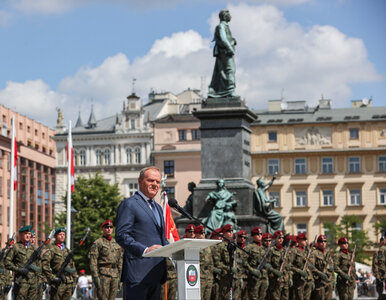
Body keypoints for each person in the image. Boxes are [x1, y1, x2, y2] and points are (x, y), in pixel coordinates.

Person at [116, 166, 169, 300]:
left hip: (156, 273)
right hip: (137, 274)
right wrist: (144, 250)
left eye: (157, 182)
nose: (155, 185)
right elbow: (121, 235)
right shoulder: (130, 204)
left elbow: (161, 238)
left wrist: (175, 249)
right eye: (151, 180)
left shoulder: (157, 207)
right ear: (140, 182)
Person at [4, 225, 42, 299]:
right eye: (25, 234)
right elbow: (7, 262)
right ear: (20, 234)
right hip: (21, 283)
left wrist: (40, 281)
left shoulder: (34, 249)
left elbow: (39, 265)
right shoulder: (15, 247)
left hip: (33, 283)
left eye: (29, 234)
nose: (28, 236)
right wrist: (18, 269)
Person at [89, 219, 123, 300]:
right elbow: (93, 261)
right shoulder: (98, 243)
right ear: (103, 229)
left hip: (115, 275)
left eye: (111, 227)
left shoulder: (117, 243)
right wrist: (95, 277)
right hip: (103, 275)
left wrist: (120, 277)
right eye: (106, 227)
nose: (109, 229)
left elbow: (120, 261)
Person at [208, 9, 237, 98]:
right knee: (230, 70)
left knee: (225, 71)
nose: (231, 16)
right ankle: (230, 90)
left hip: (226, 52)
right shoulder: (221, 26)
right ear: (225, 16)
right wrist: (230, 48)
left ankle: (225, 90)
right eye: (229, 15)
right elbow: (223, 38)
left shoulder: (225, 26)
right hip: (226, 52)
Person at [41, 227, 78, 300]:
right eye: (60, 234)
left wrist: (74, 282)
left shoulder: (68, 251)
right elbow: (44, 265)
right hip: (58, 283)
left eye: (64, 234)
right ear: (55, 236)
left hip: (69, 283)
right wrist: (52, 278)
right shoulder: (51, 249)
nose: (62, 236)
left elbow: (72, 268)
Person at [195, 225, 214, 300]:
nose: (203, 234)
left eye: (204, 233)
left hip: (208, 278)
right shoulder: (194, 245)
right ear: (196, 234)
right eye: (201, 233)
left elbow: (211, 261)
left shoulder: (207, 246)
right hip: (200, 278)